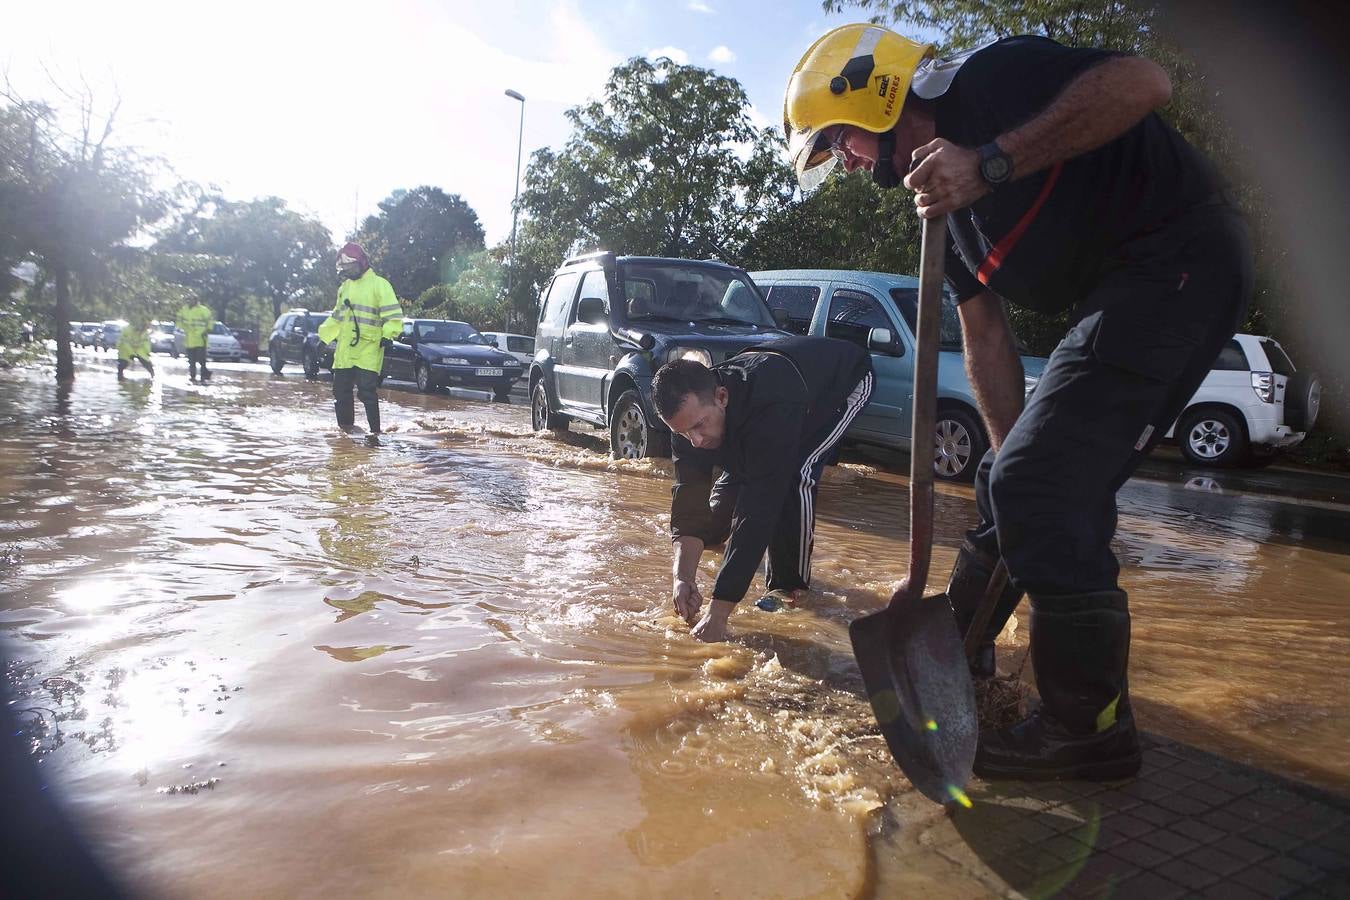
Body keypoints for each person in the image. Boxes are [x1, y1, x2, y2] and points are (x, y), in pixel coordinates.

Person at [784, 25, 1251, 780]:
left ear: (877, 102)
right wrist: (1018, 482)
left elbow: (1145, 83)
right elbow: (986, 340)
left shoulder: (990, 83)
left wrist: (992, 162)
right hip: (1124, 292)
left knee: (1039, 481)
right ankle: (962, 663)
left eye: (842, 143)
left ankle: (1088, 730)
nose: (847, 161)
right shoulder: (945, 212)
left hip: (1183, 261)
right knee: (1012, 480)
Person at [654, 335, 874, 643]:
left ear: (721, 397)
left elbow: (757, 512)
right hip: (774, 391)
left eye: (700, 425)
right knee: (740, 472)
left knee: (795, 472)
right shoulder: (689, 420)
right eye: (684, 432)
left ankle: (788, 585)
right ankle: (717, 535)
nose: (696, 440)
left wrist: (719, 612)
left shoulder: (771, 408)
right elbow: (688, 501)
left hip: (843, 382)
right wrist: (682, 578)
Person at [317, 242, 403, 434]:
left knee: (366, 392)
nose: (347, 272)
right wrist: (324, 338)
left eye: (350, 267)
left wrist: (388, 334)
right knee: (341, 393)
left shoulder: (379, 285)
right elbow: (337, 318)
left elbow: (393, 315)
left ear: (361, 263)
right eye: (344, 268)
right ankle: (345, 432)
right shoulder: (344, 288)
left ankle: (375, 435)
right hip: (345, 349)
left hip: (369, 347)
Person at [176, 297, 214, 382]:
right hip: (189, 339)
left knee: (201, 359)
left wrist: (207, 330)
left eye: (192, 300)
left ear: (196, 301)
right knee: (191, 360)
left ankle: (203, 376)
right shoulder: (183, 310)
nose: (190, 301)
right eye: (188, 300)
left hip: (200, 339)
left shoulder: (203, 310)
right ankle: (192, 376)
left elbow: (210, 321)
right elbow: (179, 321)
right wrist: (182, 329)